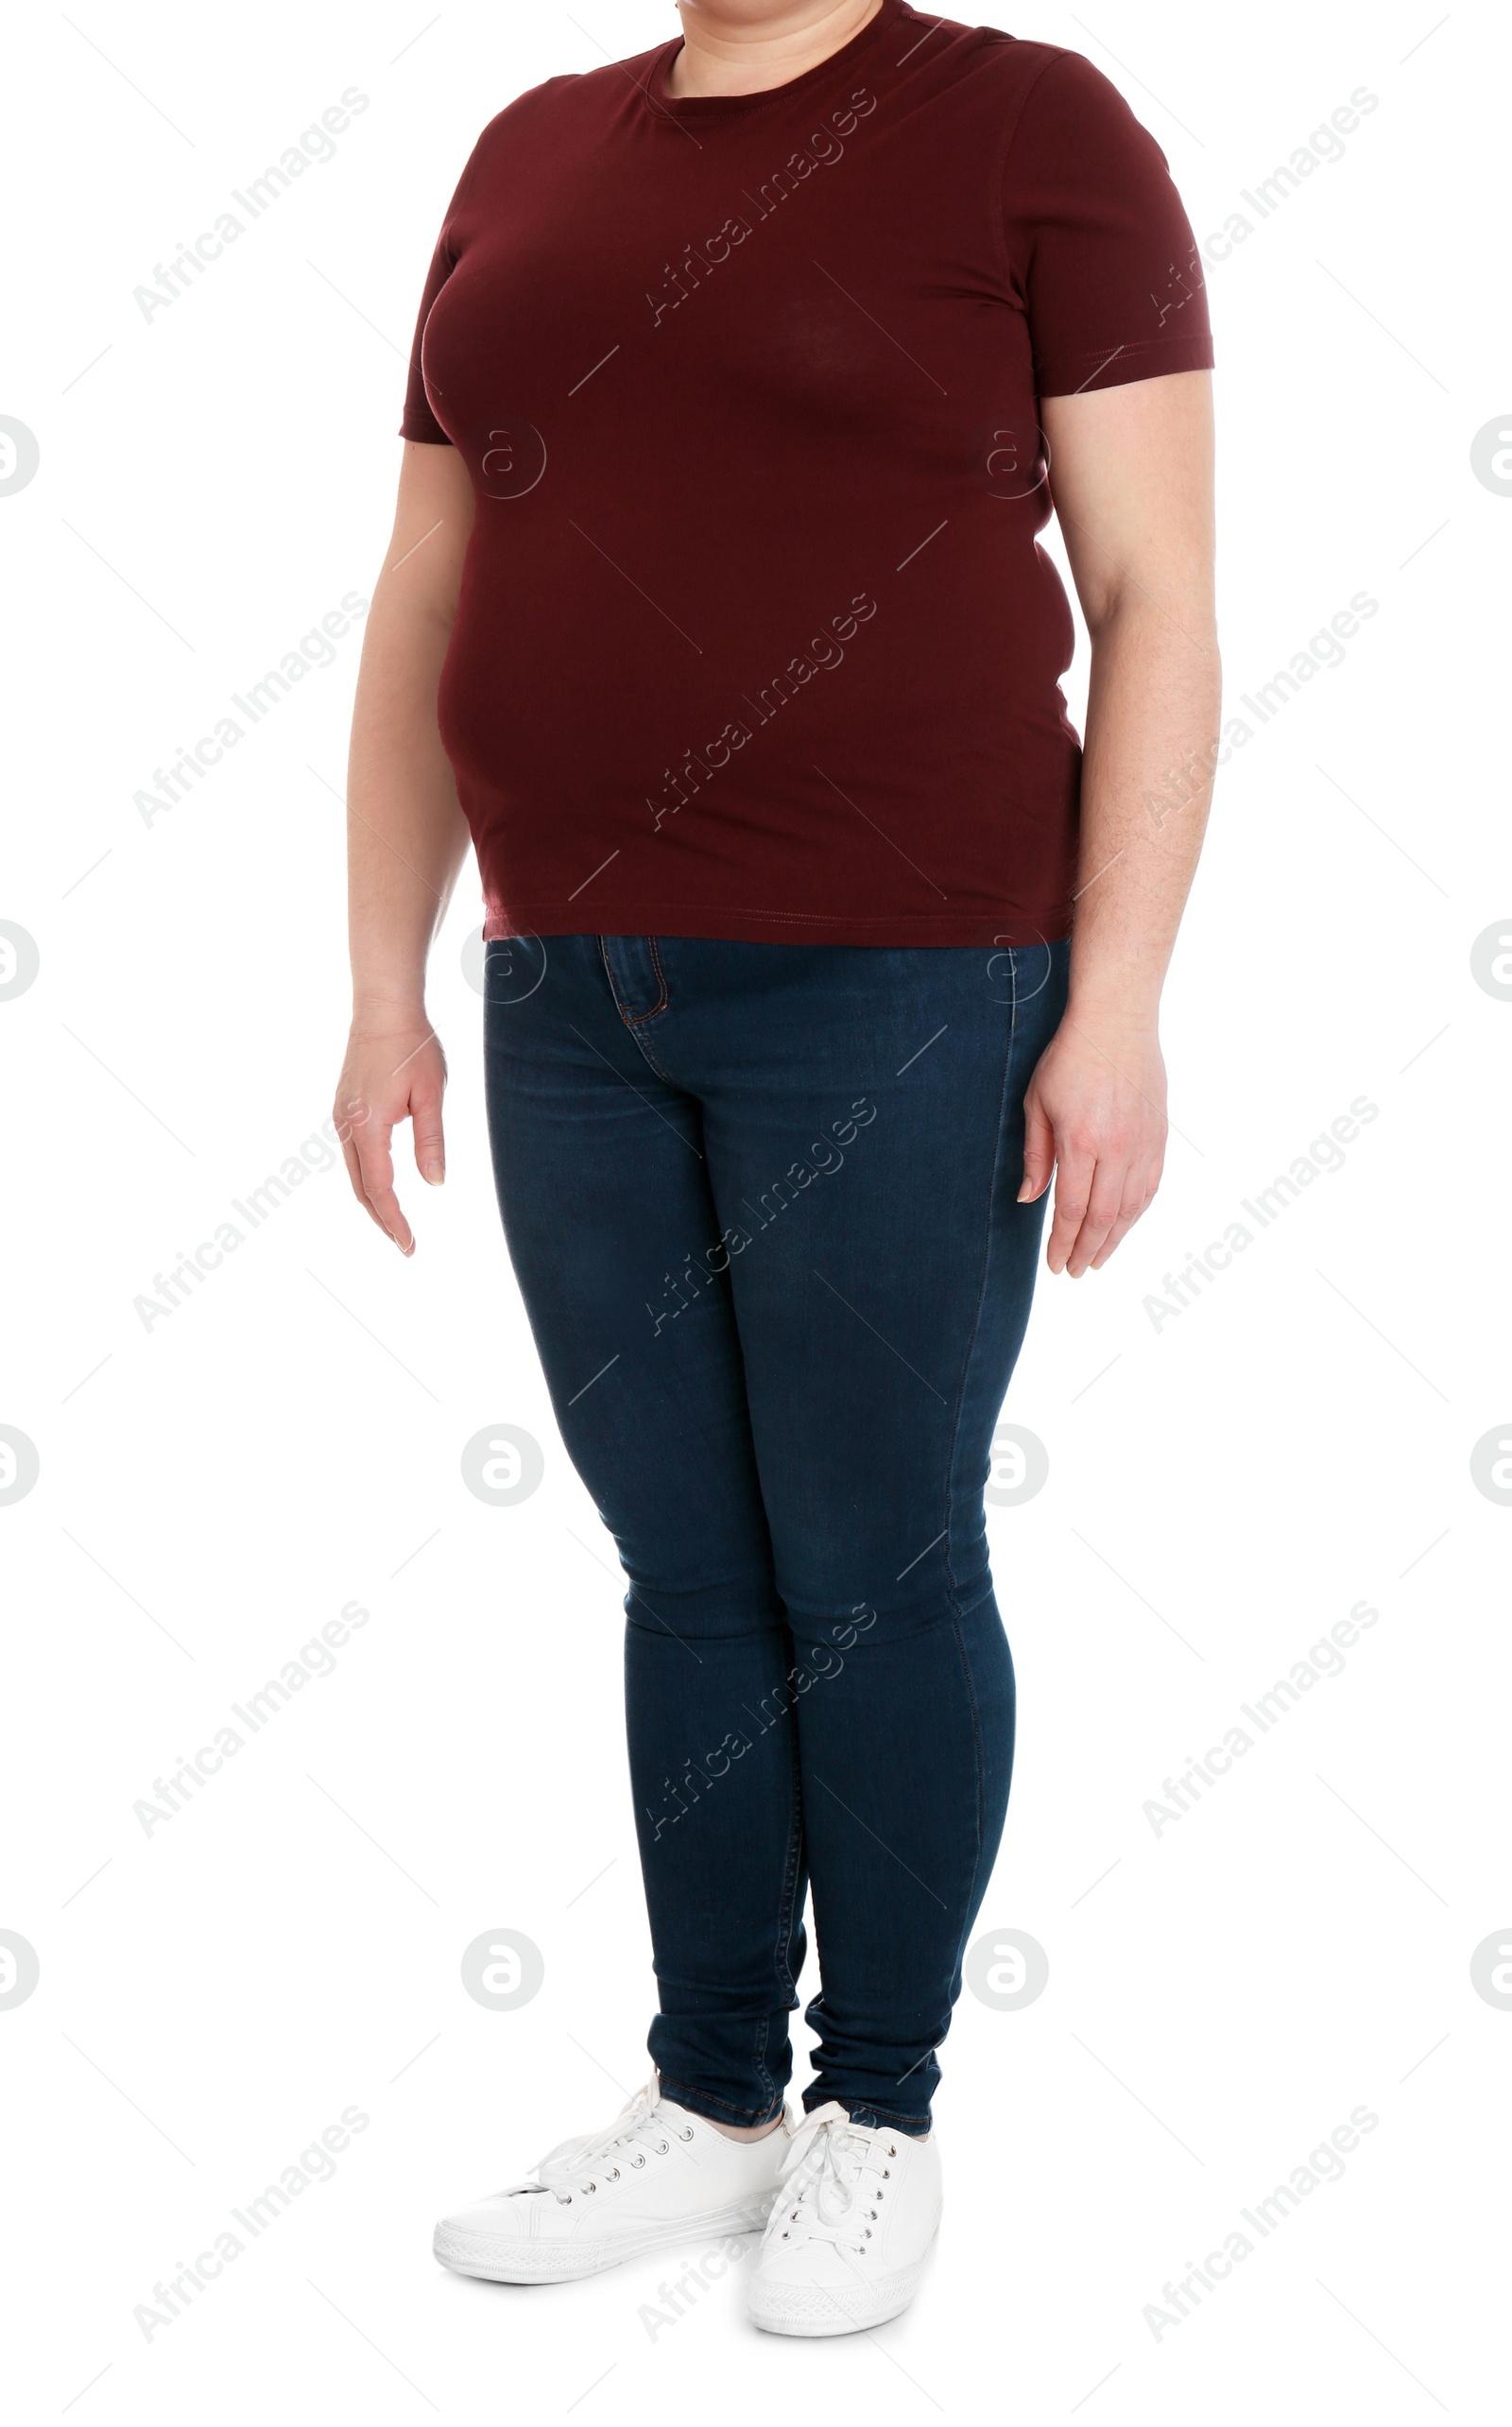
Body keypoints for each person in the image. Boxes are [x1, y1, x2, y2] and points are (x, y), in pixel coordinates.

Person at [334, 0, 1216, 2337]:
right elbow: (428, 584)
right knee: (683, 1572)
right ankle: (711, 2099)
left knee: (871, 1564)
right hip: (569, 994)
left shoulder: (1031, 126)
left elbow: (1152, 599)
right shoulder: (528, 149)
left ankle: (877, 2116)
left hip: (905, 983)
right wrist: (381, 977)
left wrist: (1111, 1000)